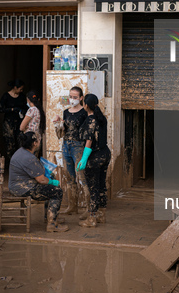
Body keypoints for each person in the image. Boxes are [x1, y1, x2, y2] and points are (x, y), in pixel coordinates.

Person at [9, 131, 68, 233]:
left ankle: (49, 216)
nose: (40, 140)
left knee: (48, 189)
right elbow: (41, 179)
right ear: (34, 143)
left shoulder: (21, 151)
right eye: (38, 139)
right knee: (56, 191)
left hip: (16, 185)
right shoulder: (29, 158)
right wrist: (53, 182)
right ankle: (52, 224)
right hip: (21, 188)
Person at [52, 86, 89, 217]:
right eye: (70, 96)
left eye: (75, 97)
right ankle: (72, 206)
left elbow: (87, 132)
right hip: (66, 146)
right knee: (69, 177)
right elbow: (62, 133)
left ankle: (89, 208)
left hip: (78, 146)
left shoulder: (84, 113)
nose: (72, 99)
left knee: (82, 177)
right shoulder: (66, 112)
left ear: (81, 98)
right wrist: (58, 124)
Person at [77, 93, 111, 228]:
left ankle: (91, 218)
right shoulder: (101, 118)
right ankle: (101, 215)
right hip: (105, 154)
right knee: (102, 185)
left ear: (86, 105)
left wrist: (84, 158)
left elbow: (89, 140)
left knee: (93, 188)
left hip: (94, 156)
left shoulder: (91, 120)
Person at [0, 79, 26, 160]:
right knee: (10, 143)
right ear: (15, 87)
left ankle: (21, 162)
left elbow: (26, 107)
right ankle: (12, 162)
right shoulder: (6, 96)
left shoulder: (22, 96)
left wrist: (23, 111)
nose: (21, 90)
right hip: (9, 123)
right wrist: (12, 109)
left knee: (20, 142)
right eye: (20, 89)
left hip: (20, 122)